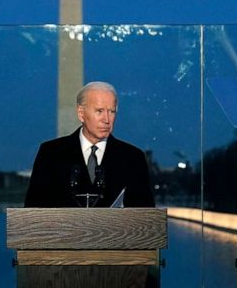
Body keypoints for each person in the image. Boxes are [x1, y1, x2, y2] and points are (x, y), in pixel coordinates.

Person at [25, 81, 155, 208]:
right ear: (81, 113)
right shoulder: (50, 153)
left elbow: (147, 218)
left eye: (112, 111)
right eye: (99, 111)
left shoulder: (133, 158)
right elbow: (32, 211)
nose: (107, 119)